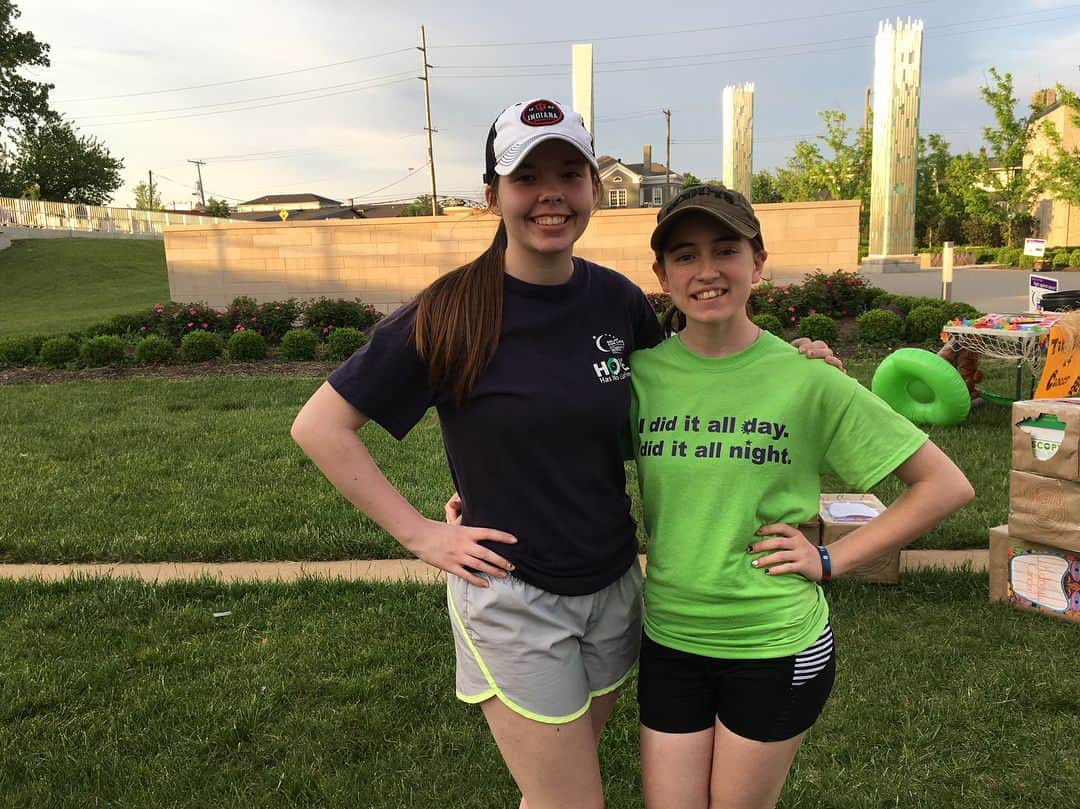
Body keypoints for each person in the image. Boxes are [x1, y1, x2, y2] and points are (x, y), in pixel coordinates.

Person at [292, 99, 838, 809]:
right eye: (527, 176)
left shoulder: (616, 302)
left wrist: (788, 362)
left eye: (569, 172)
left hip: (613, 588)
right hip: (513, 594)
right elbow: (320, 426)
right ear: (493, 196)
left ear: (591, 190)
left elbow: (689, 385)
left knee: (554, 789)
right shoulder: (451, 310)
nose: (550, 193)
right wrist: (422, 533)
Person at [629, 185, 975, 809]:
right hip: (670, 639)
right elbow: (563, 448)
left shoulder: (808, 378)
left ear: (757, 263)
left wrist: (831, 560)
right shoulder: (643, 377)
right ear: (662, 274)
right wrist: (480, 498)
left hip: (775, 642)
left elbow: (945, 485)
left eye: (726, 250)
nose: (706, 271)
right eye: (684, 255)